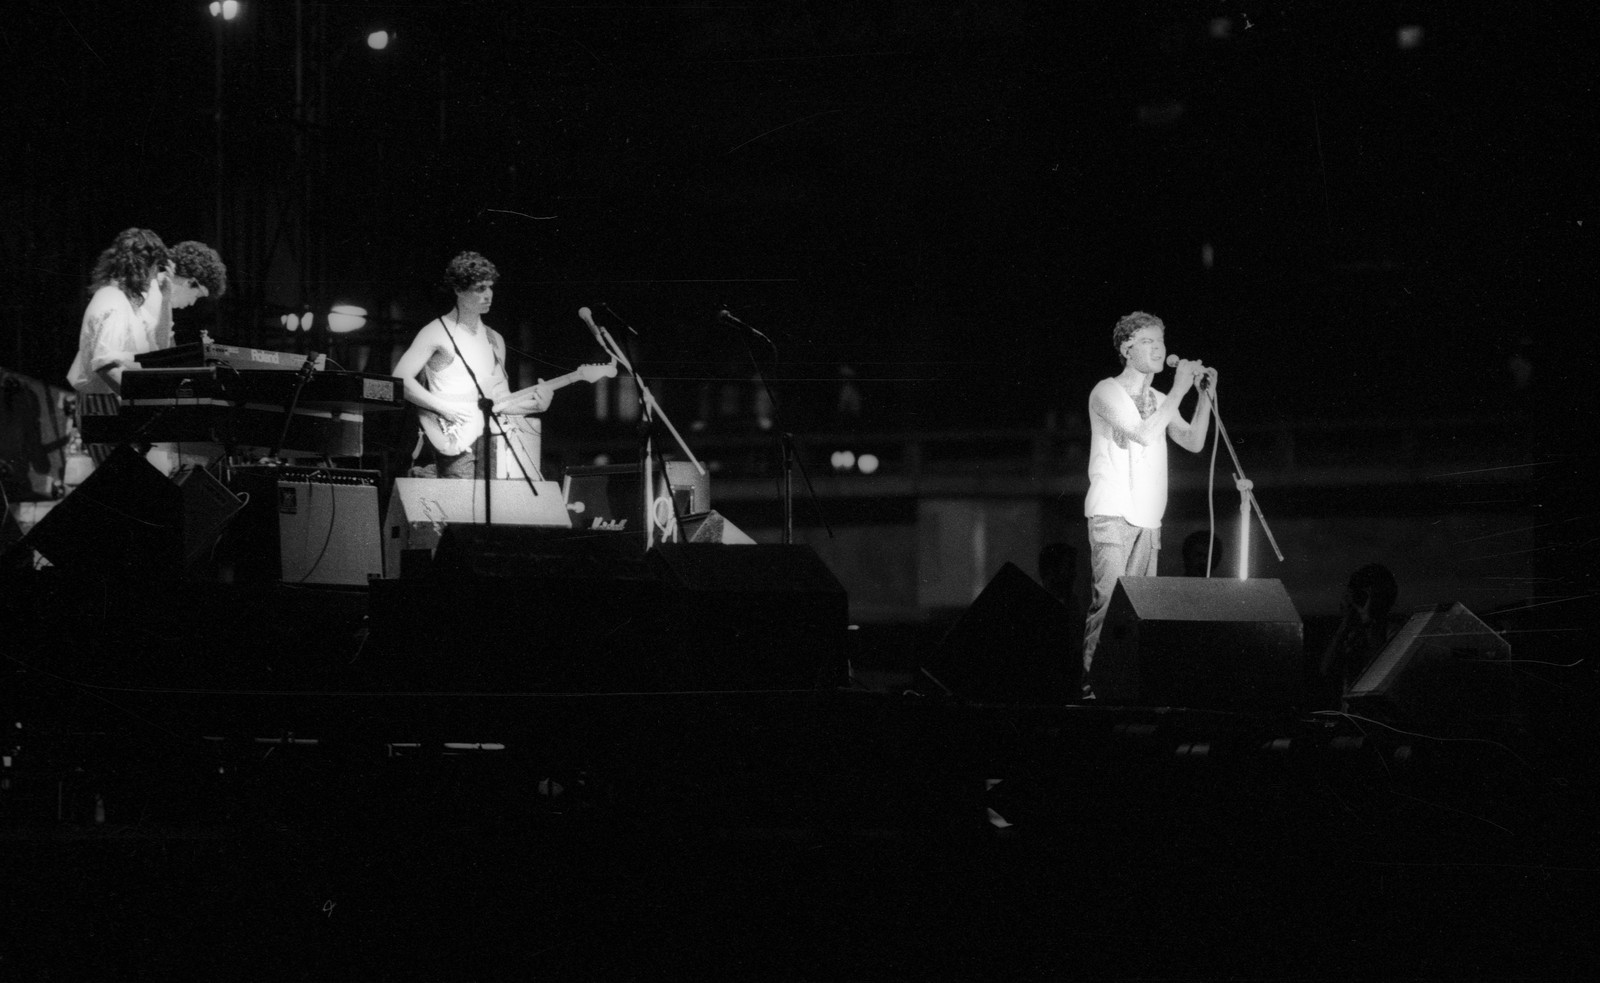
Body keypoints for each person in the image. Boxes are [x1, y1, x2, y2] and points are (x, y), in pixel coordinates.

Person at [1080, 311, 1216, 700]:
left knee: (1140, 607)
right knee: (1107, 602)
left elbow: (1192, 441)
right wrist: (1178, 389)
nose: (1159, 349)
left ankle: (1129, 686)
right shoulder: (1106, 391)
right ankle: (1092, 689)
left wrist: (1202, 396)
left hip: (1148, 517)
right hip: (1112, 512)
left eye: (1162, 342)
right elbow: (1143, 433)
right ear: (1127, 349)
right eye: (1148, 342)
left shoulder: (1159, 398)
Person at [391, 251, 551, 479]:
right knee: (460, 508)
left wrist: (534, 407)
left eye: (490, 287)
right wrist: (445, 409)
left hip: (490, 437)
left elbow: (499, 400)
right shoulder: (437, 332)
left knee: (489, 508)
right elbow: (400, 379)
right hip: (454, 439)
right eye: (480, 288)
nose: (488, 295)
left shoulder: (495, 339)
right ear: (458, 290)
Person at [67, 228, 172, 468]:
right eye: (155, 267)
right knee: (122, 484)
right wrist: (145, 405)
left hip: (112, 400)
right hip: (104, 402)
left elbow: (160, 350)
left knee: (127, 484)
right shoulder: (113, 302)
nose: (156, 275)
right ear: (143, 266)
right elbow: (105, 365)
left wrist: (165, 299)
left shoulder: (127, 302)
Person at [1319, 562, 1399, 704]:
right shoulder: (1352, 632)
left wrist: (1369, 618)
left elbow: (1381, 668)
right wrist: (1346, 623)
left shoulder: (1396, 632)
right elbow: (1326, 671)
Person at [153, 240, 227, 351]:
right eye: (196, 296)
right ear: (189, 282)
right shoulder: (149, 290)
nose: (192, 303)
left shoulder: (164, 301)